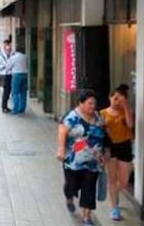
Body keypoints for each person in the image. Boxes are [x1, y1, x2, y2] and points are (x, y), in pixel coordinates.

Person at [57, 89, 108, 226]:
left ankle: (87, 217)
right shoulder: (72, 116)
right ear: (81, 103)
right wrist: (61, 149)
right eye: (89, 103)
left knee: (89, 187)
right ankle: (69, 197)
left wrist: (104, 154)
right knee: (72, 186)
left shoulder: (98, 118)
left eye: (94, 103)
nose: (93, 106)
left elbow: (104, 137)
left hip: (93, 162)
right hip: (73, 161)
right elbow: (62, 131)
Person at [100, 85, 134, 221]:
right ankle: (115, 208)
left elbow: (130, 125)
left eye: (120, 99)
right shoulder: (102, 113)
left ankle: (115, 193)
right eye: (115, 98)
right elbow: (100, 133)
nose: (117, 101)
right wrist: (103, 151)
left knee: (124, 182)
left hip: (125, 145)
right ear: (110, 98)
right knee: (112, 179)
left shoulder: (126, 111)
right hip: (110, 147)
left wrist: (125, 106)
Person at [7, 45, 28, 115]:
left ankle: (15, 109)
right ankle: (22, 108)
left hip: (16, 75)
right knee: (23, 92)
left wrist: (11, 56)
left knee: (15, 92)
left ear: (16, 50)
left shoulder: (14, 57)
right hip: (24, 74)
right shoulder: (25, 57)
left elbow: (8, 66)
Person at [0, 40, 13, 113]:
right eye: (5, 45)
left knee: (8, 92)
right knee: (6, 92)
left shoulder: (12, 54)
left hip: (11, 75)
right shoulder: (1, 56)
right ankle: (4, 107)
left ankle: (5, 106)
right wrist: (5, 66)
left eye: (8, 45)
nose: (7, 47)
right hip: (4, 75)